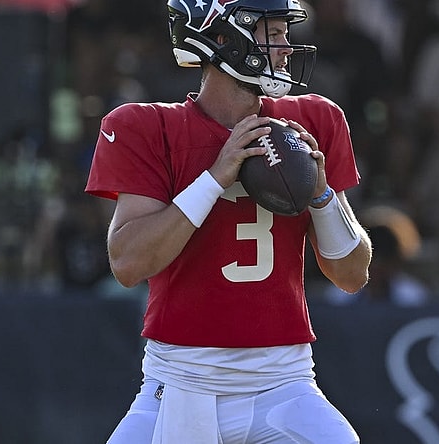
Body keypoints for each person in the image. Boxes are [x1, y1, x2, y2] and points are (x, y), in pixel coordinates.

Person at [84, 1, 372, 443]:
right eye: (271, 34)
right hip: (183, 383)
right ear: (222, 38)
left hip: (285, 383)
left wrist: (321, 195)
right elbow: (128, 263)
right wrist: (214, 178)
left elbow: (352, 275)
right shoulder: (148, 126)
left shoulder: (314, 120)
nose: (285, 48)